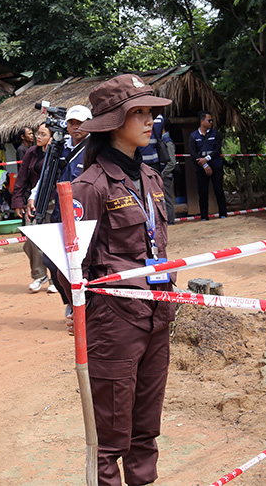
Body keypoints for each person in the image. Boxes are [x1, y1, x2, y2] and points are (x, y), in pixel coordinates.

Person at [71, 73, 176, 486]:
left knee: (146, 428)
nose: (150, 121)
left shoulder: (150, 179)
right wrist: (91, 308)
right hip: (116, 324)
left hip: (157, 314)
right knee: (109, 437)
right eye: (140, 114)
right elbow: (67, 261)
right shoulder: (90, 186)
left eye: (151, 113)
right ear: (115, 123)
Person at [33, 104, 92, 297]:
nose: (75, 127)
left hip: (85, 214)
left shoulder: (95, 148)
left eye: (80, 123)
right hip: (60, 212)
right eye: (71, 123)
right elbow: (47, 174)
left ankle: (85, 305)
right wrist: (34, 196)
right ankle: (69, 302)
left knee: (85, 262)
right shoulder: (59, 147)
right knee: (52, 260)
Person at [13, 123, 51, 292]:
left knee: (53, 242)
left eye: (43, 134)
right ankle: (39, 275)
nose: (38, 136)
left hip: (54, 201)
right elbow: (21, 177)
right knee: (31, 239)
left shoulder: (59, 153)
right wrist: (17, 201)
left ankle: (56, 279)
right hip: (33, 201)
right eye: (38, 133)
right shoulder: (31, 152)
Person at [188, 110, 228, 219]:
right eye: (209, 120)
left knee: (219, 190)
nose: (211, 122)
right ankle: (204, 216)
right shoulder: (193, 136)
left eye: (212, 120)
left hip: (216, 165)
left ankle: (223, 214)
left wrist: (206, 159)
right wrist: (204, 165)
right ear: (202, 121)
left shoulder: (215, 134)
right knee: (202, 192)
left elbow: (217, 150)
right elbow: (192, 153)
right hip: (201, 168)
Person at [139, 112, 176, 222]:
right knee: (158, 195)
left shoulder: (140, 117)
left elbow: (172, 162)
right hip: (155, 163)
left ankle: (161, 219)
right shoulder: (160, 119)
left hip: (144, 162)